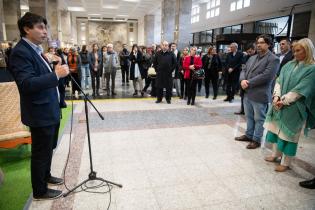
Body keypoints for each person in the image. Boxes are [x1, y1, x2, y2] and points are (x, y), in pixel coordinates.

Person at [10, 12, 69, 200]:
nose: (45, 32)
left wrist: (53, 66)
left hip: (49, 107)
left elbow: (40, 77)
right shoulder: (21, 52)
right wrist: (55, 75)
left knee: (48, 148)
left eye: (45, 27)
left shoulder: (36, 50)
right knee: (40, 152)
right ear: (27, 29)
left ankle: (46, 175)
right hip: (39, 111)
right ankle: (40, 190)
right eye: (40, 27)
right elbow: (27, 84)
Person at [264, 38, 315, 172]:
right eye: (294, 50)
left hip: (295, 106)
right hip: (279, 103)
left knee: (289, 135)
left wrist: (284, 100)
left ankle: (286, 163)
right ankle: (275, 155)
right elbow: (279, 81)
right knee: (275, 130)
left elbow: (301, 89)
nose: (295, 53)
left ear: (307, 51)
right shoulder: (289, 65)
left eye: (298, 51)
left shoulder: (312, 69)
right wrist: (276, 96)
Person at [235, 34, 279, 149]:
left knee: (259, 118)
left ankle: (257, 139)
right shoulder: (252, 57)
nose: (258, 45)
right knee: (249, 116)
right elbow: (243, 69)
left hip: (260, 94)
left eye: (262, 43)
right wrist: (243, 80)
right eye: (258, 43)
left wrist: (248, 82)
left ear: (268, 44)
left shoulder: (273, 59)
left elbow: (266, 76)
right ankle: (249, 135)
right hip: (247, 92)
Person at [235, 43, 256, 115]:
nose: (249, 53)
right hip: (244, 79)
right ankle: (243, 109)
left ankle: (251, 111)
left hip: (252, 80)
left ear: (254, 50)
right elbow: (243, 68)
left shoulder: (257, 57)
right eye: (248, 52)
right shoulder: (246, 57)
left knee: (251, 97)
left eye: (250, 51)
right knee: (242, 96)